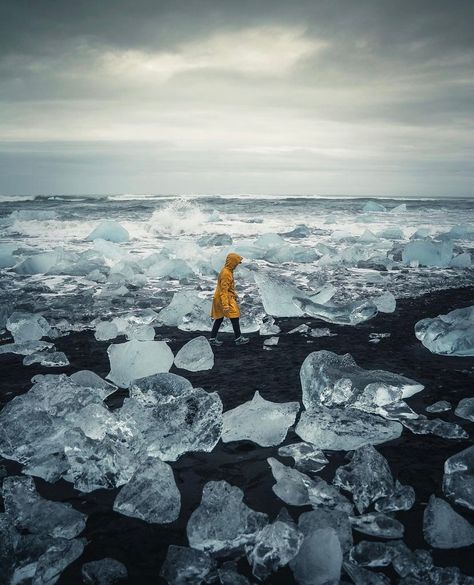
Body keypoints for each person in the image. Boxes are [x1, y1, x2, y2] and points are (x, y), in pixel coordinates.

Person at [209, 252, 249, 345]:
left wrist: (234, 295)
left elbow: (228, 288)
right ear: (232, 262)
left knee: (219, 319)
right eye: (236, 263)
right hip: (224, 299)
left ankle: (212, 339)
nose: (236, 266)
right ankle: (238, 339)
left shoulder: (227, 271)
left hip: (222, 298)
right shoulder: (226, 273)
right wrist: (226, 305)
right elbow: (224, 291)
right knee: (234, 316)